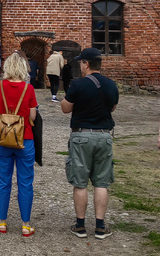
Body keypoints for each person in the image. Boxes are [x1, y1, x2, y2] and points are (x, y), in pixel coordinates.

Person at [61, 47, 119, 239]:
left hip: (82, 136)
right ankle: (101, 226)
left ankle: (80, 225)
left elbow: (65, 108)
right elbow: (112, 107)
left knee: (80, 182)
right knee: (101, 182)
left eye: (81, 63)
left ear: (86, 63)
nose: (80, 66)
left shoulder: (78, 85)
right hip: (103, 135)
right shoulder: (111, 85)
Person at [0, 52, 38, 237]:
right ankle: (25, 224)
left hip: (3, 139)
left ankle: (2, 222)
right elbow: (32, 116)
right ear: (23, 69)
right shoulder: (29, 89)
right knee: (25, 182)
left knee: (3, 180)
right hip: (24, 139)